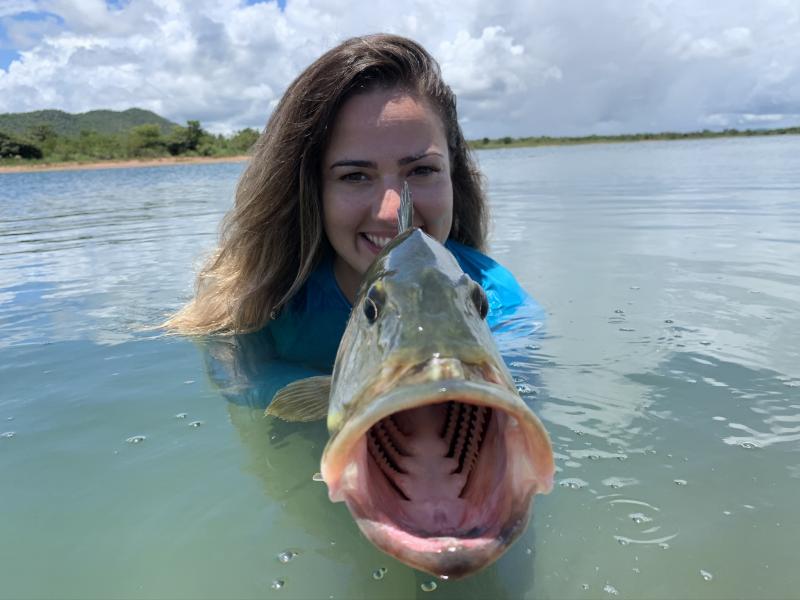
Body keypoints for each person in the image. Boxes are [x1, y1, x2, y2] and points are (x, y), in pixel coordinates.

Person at [166, 33, 543, 375]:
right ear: (311, 190)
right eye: (355, 176)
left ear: (453, 176)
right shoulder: (265, 300)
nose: (394, 214)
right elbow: (239, 381)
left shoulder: (500, 306)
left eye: (423, 170)